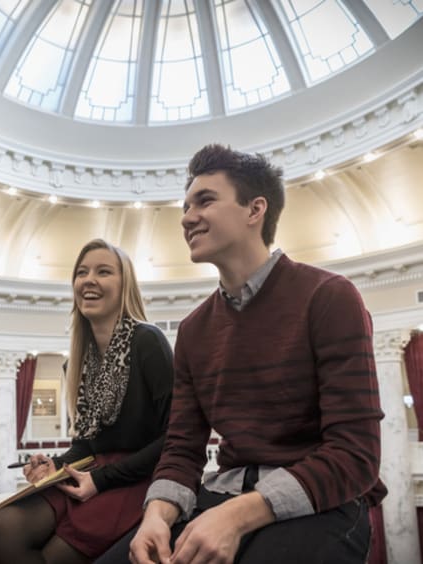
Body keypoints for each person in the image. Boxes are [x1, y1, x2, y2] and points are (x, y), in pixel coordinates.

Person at [98, 144, 387, 564]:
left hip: (322, 503)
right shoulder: (194, 329)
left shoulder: (329, 296)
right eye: (185, 205)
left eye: (205, 200)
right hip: (223, 496)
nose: (186, 217)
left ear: (255, 210)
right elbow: (181, 448)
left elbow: (355, 453)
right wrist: (157, 516)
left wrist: (238, 516)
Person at [0, 239, 175, 564]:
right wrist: (54, 465)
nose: (89, 280)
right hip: (95, 476)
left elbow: (175, 438)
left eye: (103, 272)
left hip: (140, 478)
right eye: (81, 272)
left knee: (54, 555)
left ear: (124, 284)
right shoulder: (76, 362)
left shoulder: (148, 341)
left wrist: (101, 480)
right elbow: (87, 446)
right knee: (4, 526)